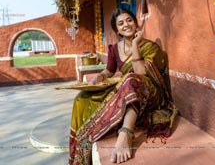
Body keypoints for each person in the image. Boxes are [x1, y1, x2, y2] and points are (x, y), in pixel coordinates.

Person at [69, 8, 178, 164]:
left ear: (135, 22)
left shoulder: (150, 47)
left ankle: (125, 134)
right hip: (128, 88)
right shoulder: (114, 49)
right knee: (82, 99)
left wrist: (135, 45)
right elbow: (109, 70)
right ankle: (81, 148)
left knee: (130, 78)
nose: (126, 25)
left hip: (150, 93)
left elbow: (141, 72)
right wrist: (100, 77)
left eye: (129, 20)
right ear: (117, 29)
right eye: (120, 23)